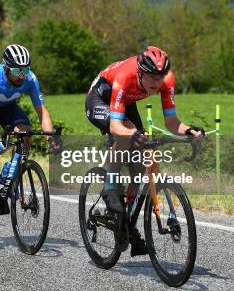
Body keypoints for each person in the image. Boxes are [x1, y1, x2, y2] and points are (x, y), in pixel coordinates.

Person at [85, 45, 204, 256]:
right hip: (101, 97)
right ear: (140, 72)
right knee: (128, 131)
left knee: (140, 169)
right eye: (151, 78)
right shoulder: (124, 75)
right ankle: (110, 186)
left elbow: (172, 121)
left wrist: (189, 131)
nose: (156, 83)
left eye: (160, 78)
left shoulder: (166, 80)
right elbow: (115, 126)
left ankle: (127, 226)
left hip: (126, 102)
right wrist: (130, 135)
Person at [0, 44, 53, 227]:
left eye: (26, 69)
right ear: (7, 68)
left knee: (27, 132)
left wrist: (51, 139)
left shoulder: (30, 79)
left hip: (8, 108)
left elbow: (42, 112)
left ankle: (12, 168)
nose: (22, 75)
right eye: (18, 70)